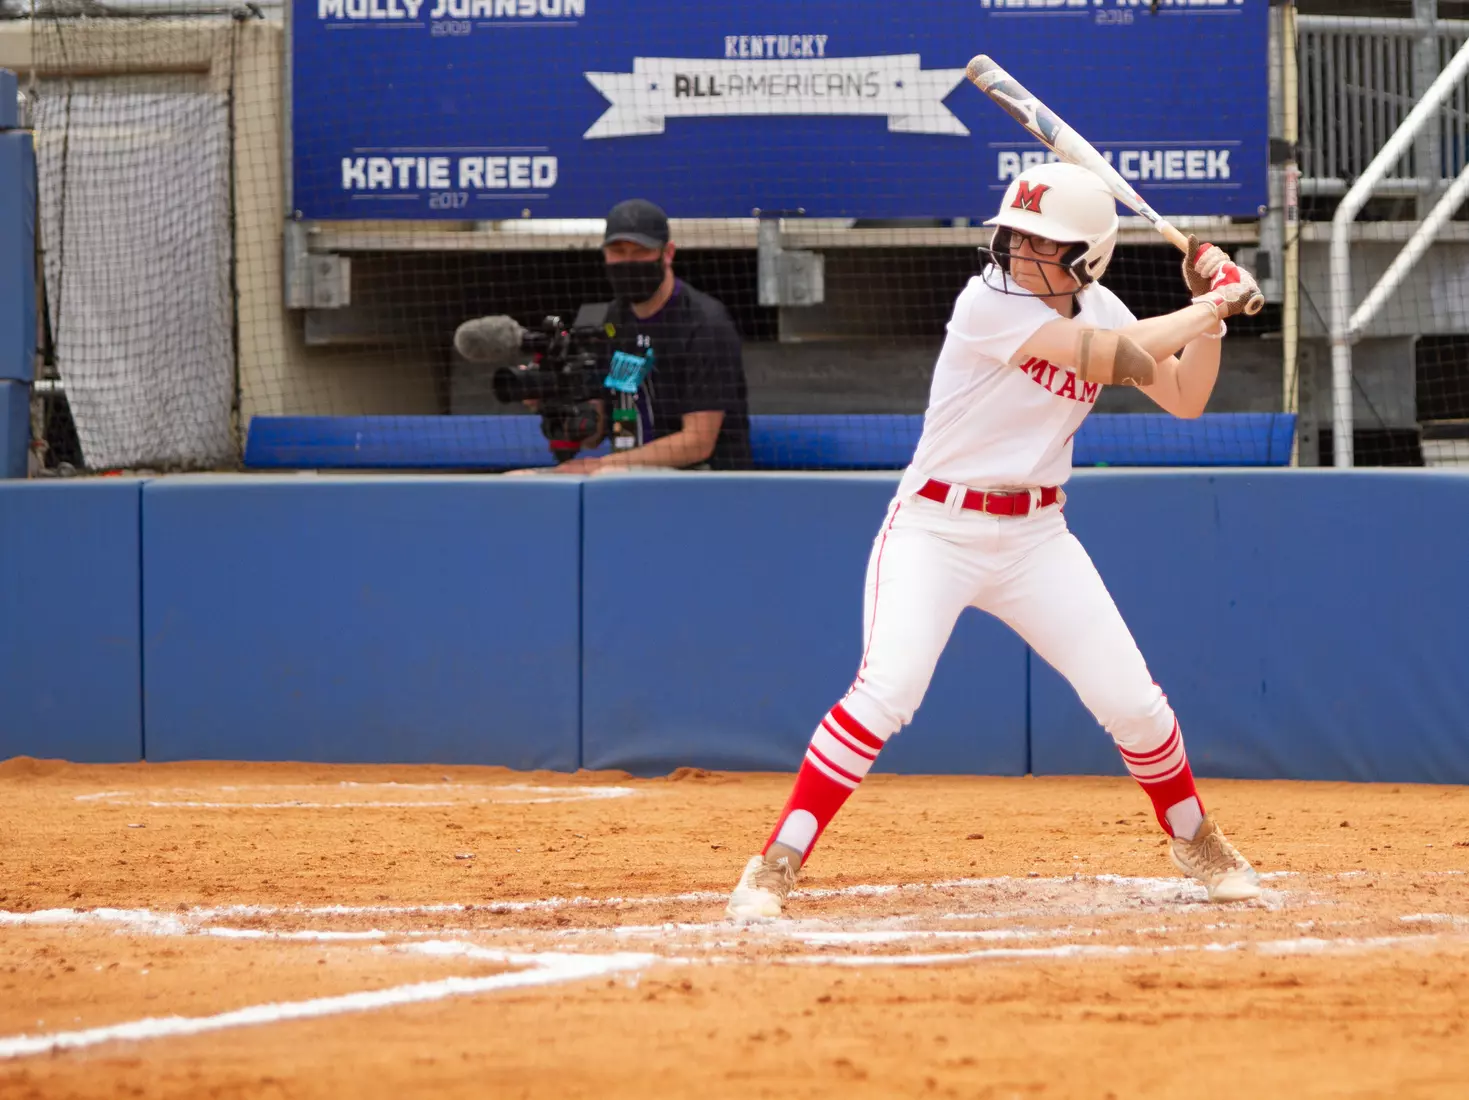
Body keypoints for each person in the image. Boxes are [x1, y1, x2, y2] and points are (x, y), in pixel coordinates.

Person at [725, 161, 1265, 920]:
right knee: (888, 692)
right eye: (1015, 235)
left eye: (1044, 243)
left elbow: (1184, 396)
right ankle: (775, 861)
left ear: (1087, 257)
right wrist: (1211, 299)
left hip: (1034, 537)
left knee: (1133, 704)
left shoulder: (1104, 305)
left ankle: (1194, 839)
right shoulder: (987, 303)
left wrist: (1208, 318)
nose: (1019, 251)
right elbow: (1113, 359)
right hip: (936, 528)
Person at [551, 199, 751, 473]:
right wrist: (554, 399)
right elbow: (592, 436)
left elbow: (698, 442)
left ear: (667, 253)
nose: (627, 261)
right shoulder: (606, 322)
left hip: (705, 486)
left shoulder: (705, 325)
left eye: (640, 251)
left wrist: (599, 466)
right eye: (617, 251)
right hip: (624, 481)